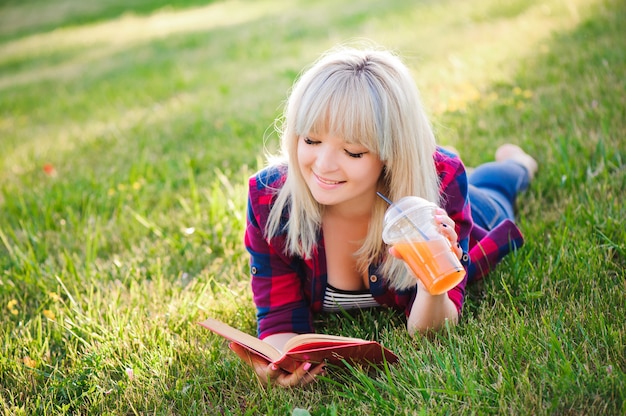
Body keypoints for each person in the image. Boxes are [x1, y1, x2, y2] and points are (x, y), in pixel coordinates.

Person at [230, 44, 538, 387]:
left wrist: (431, 282)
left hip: (468, 206)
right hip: (411, 172)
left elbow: (432, 331)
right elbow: (278, 321)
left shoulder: (441, 185)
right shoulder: (270, 199)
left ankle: (518, 162)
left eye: (353, 151)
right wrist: (274, 365)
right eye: (311, 140)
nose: (324, 165)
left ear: (391, 153)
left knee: (497, 187)